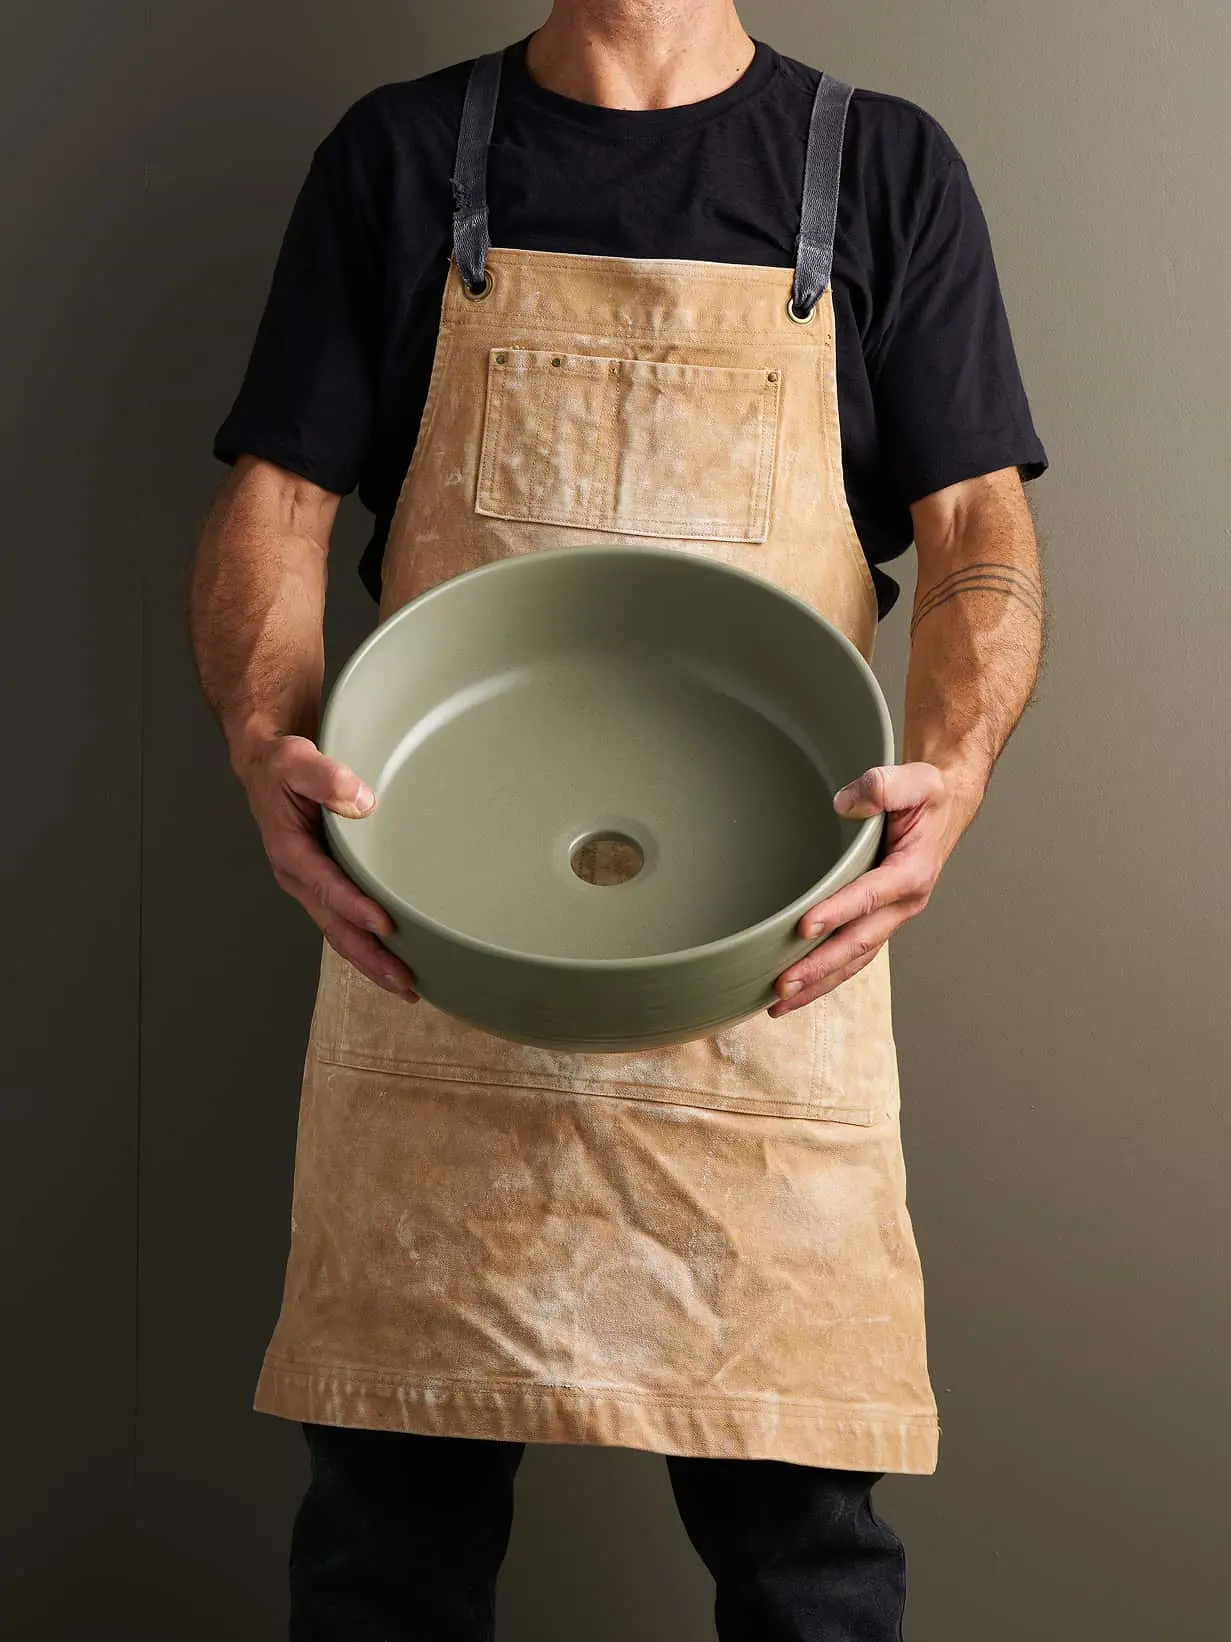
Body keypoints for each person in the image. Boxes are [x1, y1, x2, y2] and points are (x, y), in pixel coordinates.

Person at [190, 2, 1047, 1637]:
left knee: (808, 1583)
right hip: (434, 982)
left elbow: (975, 533)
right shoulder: (394, 159)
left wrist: (952, 779)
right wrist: (258, 740)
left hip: (767, 995)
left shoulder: (883, 170)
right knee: (384, 1572)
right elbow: (275, 505)